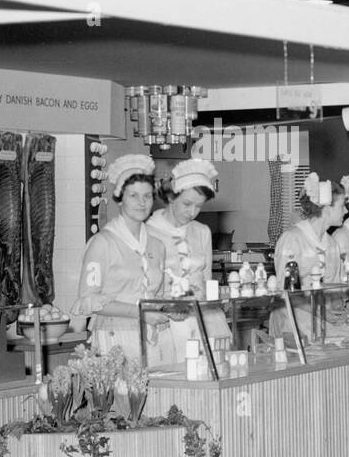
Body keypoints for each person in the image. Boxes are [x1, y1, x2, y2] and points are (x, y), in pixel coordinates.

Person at [72, 154, 173, 363]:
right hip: (114, 337)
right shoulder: (103, 243)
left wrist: (172, 308)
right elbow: (90, 300)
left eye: (147, 196)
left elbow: (160, 295)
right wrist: (140, 313)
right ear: (119, 198)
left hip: (155, 337)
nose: (141, 202)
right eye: (133, 195)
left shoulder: (157, 245)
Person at [146, 158, 230, 363]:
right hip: (167, 326)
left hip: (205, 321)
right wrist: (167, 307)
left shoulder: (202, 232)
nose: (192, 212)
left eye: (198, 206)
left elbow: (207, 280)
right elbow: (144, 289)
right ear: (171, 197)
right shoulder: (148, 232)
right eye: (187, 204)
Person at [274, 172, 346, 285]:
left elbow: (336, 289)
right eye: (342, 206)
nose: (346, 211)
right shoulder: (292, 239)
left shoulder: (332, 245)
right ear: (327, 209)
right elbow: (284, 288)